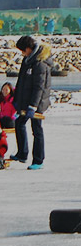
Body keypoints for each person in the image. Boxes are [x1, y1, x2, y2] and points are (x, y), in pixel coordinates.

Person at [11, 35, 51, 170]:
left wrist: (33, 106)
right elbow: (21, 81)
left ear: (29, 48)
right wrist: (16, 100)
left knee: (37, 129)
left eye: (23, 50)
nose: (22, 53)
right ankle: (22, 153)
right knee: (19, 123)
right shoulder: (27, 60)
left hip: (37, 103)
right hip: (25, 101)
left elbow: (39, 87)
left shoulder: (40, 63)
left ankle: (38, 160)